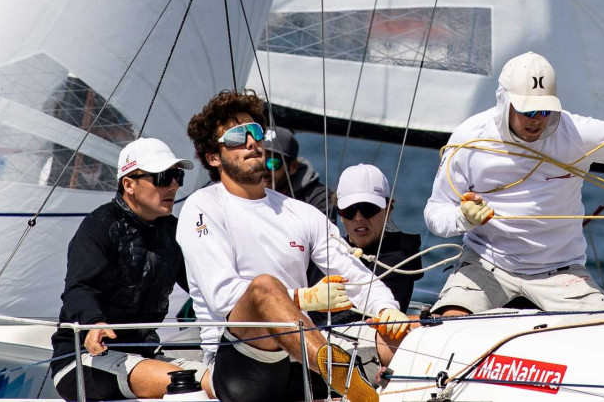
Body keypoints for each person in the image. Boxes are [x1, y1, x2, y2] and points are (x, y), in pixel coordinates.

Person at [424, 51, 604, 316]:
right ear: (504, 102)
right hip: (487, 266)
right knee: (451, 322)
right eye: (529, 112)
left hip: (561, 271)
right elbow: (435, 213)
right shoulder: (470, 138)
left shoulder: (575, 131)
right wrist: (464, 218)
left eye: (545, 111)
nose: (538, 121)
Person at [177, 90, 409, 402]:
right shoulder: (202, 206)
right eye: (235, 137)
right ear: (213, 157)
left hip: (301, 359)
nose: (251, 143)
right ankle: (337, 370)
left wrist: (387, 310)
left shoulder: (300, 212)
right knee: (264, 288)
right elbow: (223, 298)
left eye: (255, 133)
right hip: (241, 367)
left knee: (400, 337)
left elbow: (355, 275)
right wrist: (304, 297)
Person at [50, 138, 211, 400]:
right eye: (162, 177)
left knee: (224, 385)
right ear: (129, 184)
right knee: (191, 388)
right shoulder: (98, 227)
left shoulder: (174, 231)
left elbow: (203, 285)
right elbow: (78, 289)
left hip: (145, 356)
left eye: (177, 176)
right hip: (83, 360)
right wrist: (95, 323)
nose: (174, 185)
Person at [307, 164, 422, 329]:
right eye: (349, 210)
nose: (359, 217)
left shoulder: (398, 263)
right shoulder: (324, 252)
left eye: (368, 208)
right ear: (339, 214)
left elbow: (354, 318)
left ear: (388, 209)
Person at [263, 125, 337, 222]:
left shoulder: (318, 199)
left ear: (293, 167)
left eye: (272, 163)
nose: (263, 170)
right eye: (259, 161)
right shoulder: (244, 194)